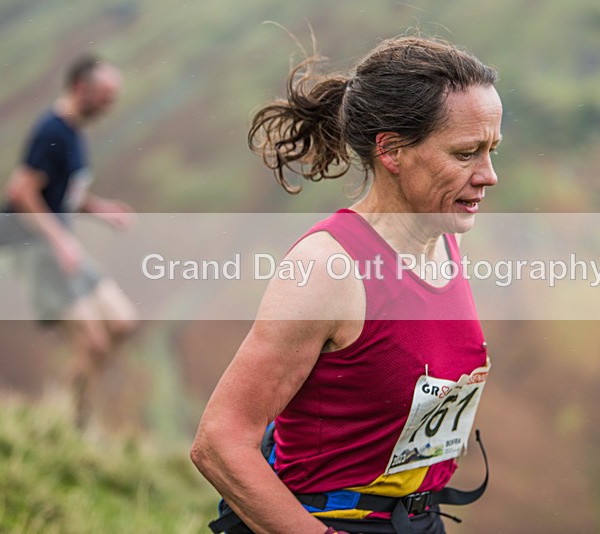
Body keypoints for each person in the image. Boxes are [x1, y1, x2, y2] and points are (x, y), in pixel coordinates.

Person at [191, 34, 501, 534]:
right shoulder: (326, 270)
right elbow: (220, 442)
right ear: (392, 150)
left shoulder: (444, 242)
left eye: (491, 149)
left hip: (418, 520)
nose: (489, 175)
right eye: (466, 153)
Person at [0, 54, 138, 428]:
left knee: (122, 322)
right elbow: (21, 191)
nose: (110, 106)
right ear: (81, 88)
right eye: (105, 97)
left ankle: (68, 411)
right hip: (44, 252)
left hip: (66, 248)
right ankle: (64, 420)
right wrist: (59, 239)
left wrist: (98, 208)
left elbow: (60, 195)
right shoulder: (52, 131)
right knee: (93, 343)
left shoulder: (74, 133)